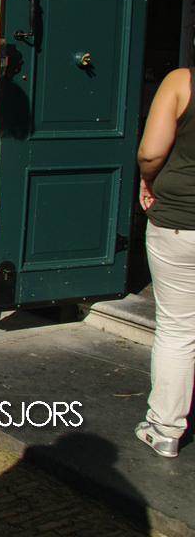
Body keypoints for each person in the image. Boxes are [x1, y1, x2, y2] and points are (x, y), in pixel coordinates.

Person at [135, 66, 195, 458]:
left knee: (178, 330)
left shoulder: (181, 81)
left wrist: (148, 178)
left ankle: (165, 428)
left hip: (181, 221)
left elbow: (151, 152)